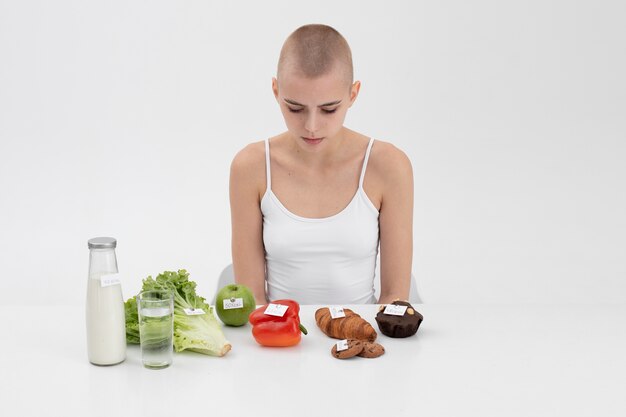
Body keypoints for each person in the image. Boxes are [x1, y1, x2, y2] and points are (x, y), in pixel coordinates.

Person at [229, 24, 413, 305]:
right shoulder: (250, 167)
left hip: (360, 339)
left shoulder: (389, 166)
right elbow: (252, 299)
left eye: (329, 109)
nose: (311, 126)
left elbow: (395, 299)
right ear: (276, 91)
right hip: (280, 340)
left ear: (353, 94)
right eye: (295, 108)